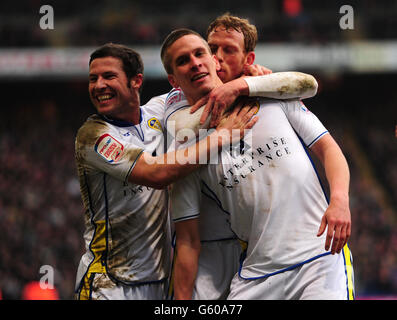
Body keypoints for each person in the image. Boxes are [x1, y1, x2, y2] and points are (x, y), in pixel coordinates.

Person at [161, 28, 355, 300]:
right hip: (255, 275)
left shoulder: (271, 95)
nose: (194, 63)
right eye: (183, 60)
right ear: (173, 80)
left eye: (199, 54)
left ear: (213, 61)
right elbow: (187, 240)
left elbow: (328, 148)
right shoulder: (187, 144)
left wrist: (339, 201)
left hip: (319, 257)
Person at [74, 43, 258, 300]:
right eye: (93, 79)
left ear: (136, 81)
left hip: (158, 282)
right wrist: (220, 137)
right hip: (108, 283)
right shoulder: (93, 136)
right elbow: (157, 175)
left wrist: (249, 79)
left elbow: (198, 81)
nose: (98, 85)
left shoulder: (159, 111)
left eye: (109, 76)